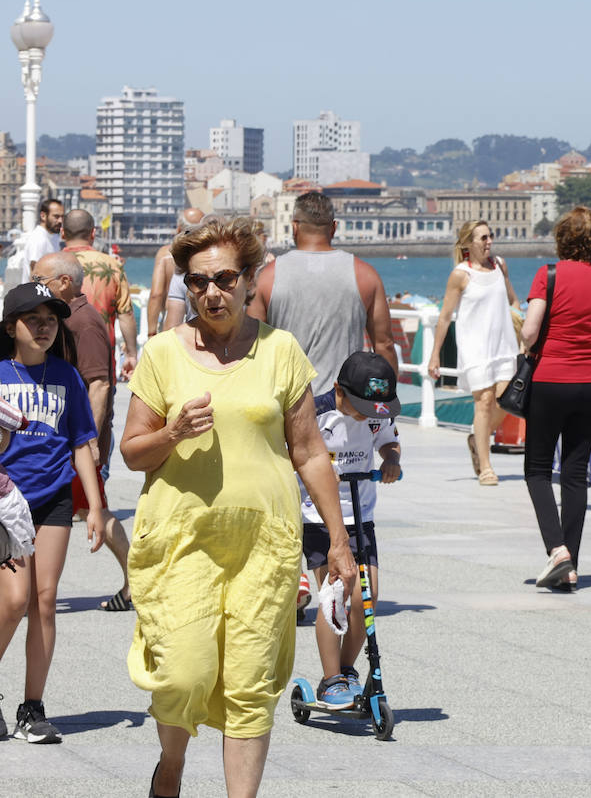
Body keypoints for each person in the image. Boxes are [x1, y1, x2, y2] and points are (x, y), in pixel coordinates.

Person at [121, 217, 357, 798]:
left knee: (250, 686)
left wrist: (340, 542)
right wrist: (172, 432)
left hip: (263, 543)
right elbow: (131, 452)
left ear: (250, 279)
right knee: (183, 674)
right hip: (181, 541)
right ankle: (171, 764)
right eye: (197, 282)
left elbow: (309, 452)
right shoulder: (161, 354)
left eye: (225, 278)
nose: (211, 293)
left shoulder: (281, 351)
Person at [0, 280, 104, 744]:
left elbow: (82, 442)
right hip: (7, 501)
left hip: (54, 500)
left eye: (50, 320)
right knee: (15, 600)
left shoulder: (66, 376)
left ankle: (32, 708)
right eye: (32, 319)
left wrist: (96, 507)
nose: (43, 327)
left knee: (45, 601)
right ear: (10, 326)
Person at [520, 207, 591, 591]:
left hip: (550, 378)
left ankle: (557, 550)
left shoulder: (549, 274)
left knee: (537, 470)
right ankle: (572, 566)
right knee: (576, 473)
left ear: (562, 238)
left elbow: (531, 332)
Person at [31, 252, 135, 612]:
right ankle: (135, 580)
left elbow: (99, 385)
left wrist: (87, 442)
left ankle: (136, 580)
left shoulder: (83, 322)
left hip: (76, 443)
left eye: (40, 278)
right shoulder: (69, 319)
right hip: (67, 441)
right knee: (88, 508)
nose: (35, 284)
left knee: (89, 509)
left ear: (64, 282)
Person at [304, 351, 401, 707]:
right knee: (336, 594)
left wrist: (391, 459)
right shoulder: (317, 413)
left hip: (361, 517)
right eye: (359, 407)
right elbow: (294, 454)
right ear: (338, 391)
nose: (367, 417)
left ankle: (346, 670)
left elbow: (388, 440)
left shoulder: (377, 415)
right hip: (318, 518)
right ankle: (330, 679)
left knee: (367, 596)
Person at [249, 191, 397, 396]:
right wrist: (387, 402)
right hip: (344, 403)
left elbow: (251, 343)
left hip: (286, 402)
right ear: (334, 227)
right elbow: (384, 345)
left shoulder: (267, 277)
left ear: (294, 227)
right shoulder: (365, 274)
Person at [426, 220, 519, 485]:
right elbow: (445, 318)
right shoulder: (460, 274)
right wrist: (435, 355)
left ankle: (476, 441)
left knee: (507, 401)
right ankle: (487, 467)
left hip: (504, 345)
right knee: (485, 401)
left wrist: (522, 323)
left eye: (490, 236)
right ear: (468, 244)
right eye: (483, 238)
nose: (489, 242)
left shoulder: (500, 265)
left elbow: (513, 299)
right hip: (475, 347)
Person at [60, 208, 139, 386]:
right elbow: (126, 314)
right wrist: (132, 355)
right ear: (93, 233)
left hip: (58, 360)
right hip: (101, 363)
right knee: (98, 412)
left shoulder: (49, 265)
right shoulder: (112, 265)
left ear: (62, 232)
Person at [147, 208, 205, 334]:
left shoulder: (165, 255)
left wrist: (151, 332)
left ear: (179, 229)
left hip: (171, 319)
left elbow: (156, 294)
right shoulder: (208, 257)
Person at [5, 198, 64, 288]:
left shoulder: (53, 237)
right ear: (43, 216)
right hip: (39, 297)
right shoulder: (38, 239)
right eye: (56, 216)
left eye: (62, 217)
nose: (60, 221)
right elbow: (35, 273)